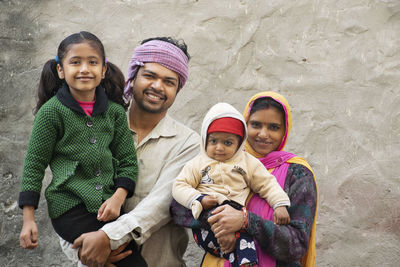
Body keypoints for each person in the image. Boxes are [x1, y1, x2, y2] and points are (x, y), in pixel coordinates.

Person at [62, 37, 200, 267]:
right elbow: (66, 199)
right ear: (133, 77)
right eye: (150, 76)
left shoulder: (187, 144)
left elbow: (159, 206)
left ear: (178, 89)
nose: (158, 86)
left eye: (169, 81)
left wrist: (107, 240)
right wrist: (84, 252)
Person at [18, 31, 147, 266]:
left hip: (109, 207)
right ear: (60, 70)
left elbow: (128, 161)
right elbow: (34, 165)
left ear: (104, 69)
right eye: (75, 62)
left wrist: (118, 198)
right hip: (70, 208)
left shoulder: (115, 112)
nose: (84, 69)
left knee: (128, 259)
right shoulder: (51, 113)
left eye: (92, 62)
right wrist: (28, 219)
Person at [172, 91, 318, 267]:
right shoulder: (214, 159)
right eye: (255, 124)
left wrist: (247, 221)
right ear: (244, 126)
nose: (263, 134)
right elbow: (178, 209)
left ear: (285, 130)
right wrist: (220, 221)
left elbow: (296, 245)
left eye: (274, 127)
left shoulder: (297, 174)